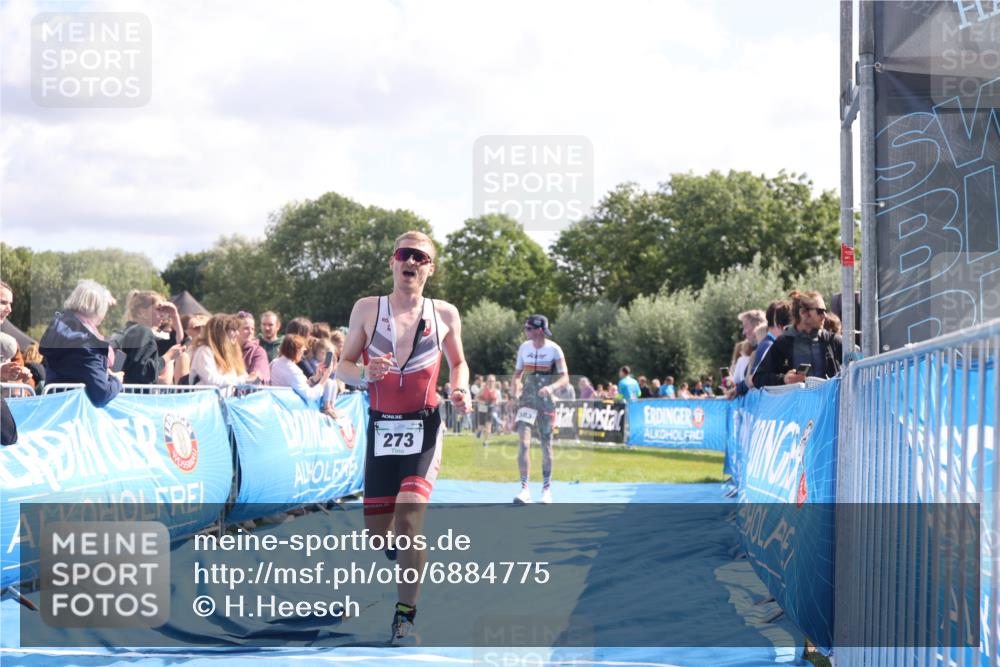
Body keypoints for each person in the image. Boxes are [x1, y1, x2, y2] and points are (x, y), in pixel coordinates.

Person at [336, 230, 470, 646]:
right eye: (403, 255)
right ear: (392, 262)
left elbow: (459, 362)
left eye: (419, 257)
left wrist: (460, 388)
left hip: (424, 425)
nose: (410, 262)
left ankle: (404, 617)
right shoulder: (367, 309)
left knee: (410, 515)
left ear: (430, 268)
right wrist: (363, 375)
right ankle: (403, 554)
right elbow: (342, 366)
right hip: (381, 427)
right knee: (379, 535)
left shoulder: (445, 313)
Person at [512, 314, 569, 506]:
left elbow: (565, 378)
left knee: (546, 444)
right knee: (524, 443)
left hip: (546, 401)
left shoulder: (554, 349)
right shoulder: (523, 348)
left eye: (528, 328)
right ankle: (524, 489)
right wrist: (516, 388)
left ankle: (546, 490)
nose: (525, 331)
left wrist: (551, 389)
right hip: (527, 400)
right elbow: (517, 375)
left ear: (539, 330)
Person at [39, 279, 122, 407]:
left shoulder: (58, 329)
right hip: (77, 416)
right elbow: (101, 395)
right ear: (99, 309)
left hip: (52, 409)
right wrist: (116, 380)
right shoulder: (88, 344)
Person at [752, 291, 843, 387]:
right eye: (820, 311)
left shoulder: (832, 341)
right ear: (803, 313)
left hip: (828, 402)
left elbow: (857, 362)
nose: (825, 315)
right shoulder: (783, 343)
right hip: (797, 401)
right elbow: (758, 378)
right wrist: (784, 379)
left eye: (825, 311)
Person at [116, 290, 184, 384]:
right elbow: (143, 372)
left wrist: (174, 315)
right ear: (141, 312)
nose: (163, 315)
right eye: (158, 309)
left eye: (164, 310)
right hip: (137, 396)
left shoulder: (131, 331)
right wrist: (168, 356)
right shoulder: (142, 331)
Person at [270, 334, 337, 416]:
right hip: (289, 411)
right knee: (329, 382)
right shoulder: (292, 370)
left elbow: (298, 386)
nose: (303, 353)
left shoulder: (275, 362)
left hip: (280, 406)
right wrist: (325, 378)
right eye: (302, 350)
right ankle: (327, 408)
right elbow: (310, 395)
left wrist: (316, 377)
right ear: (296, 350)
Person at [189, 314, 256, 387]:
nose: (237, 333)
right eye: (233, 329)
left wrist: (252, 377)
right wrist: (244, 380)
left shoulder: (230, 354)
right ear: (221, 332)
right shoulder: (204, 351)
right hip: (205, 398)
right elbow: (211, 380)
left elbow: (242, 376)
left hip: (226, 398)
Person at [0, 281, 34, 388]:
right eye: (3, 302)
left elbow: (29, 387)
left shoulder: (11, 344)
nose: (9, 309)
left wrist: (24, 379)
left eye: (10, 304)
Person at [237, 311, 271, 384]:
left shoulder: (258, 352)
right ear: (236, 330)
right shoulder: (227, 350)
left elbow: (257, 379)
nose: (250, 332)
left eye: (252, 329)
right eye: (246, 328)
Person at [478, 374, 502, 446]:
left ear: (494, 382)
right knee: (481, 426)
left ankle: (485, 442)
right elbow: (477, 398)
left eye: (493, 381)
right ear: (487, 381)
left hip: (491, 409)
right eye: (490, 381)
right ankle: (479, 431)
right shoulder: (483, 389)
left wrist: (497, 402)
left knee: (488, 426)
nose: (491, 382)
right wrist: (483, 402)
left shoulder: (497, 391)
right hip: (482, 409)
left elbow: (499, 400)